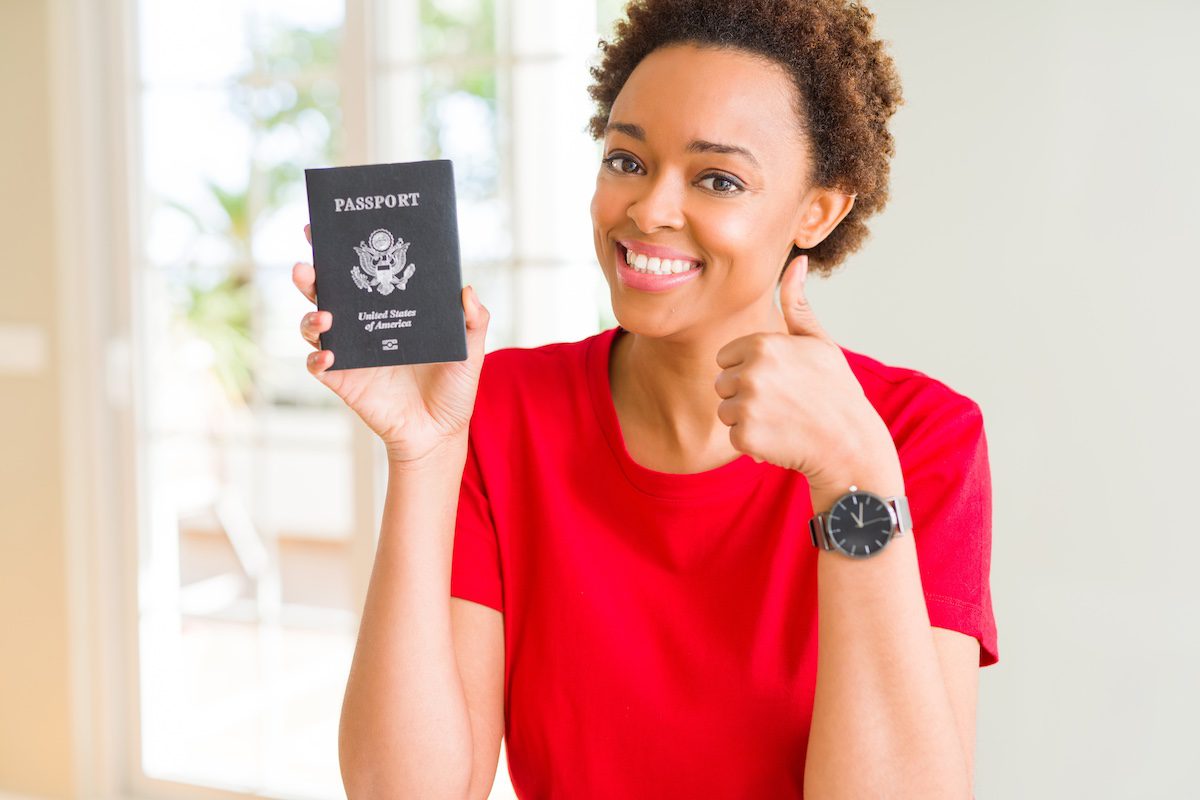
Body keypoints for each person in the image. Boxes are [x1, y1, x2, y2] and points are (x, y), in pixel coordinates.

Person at [294, 0, 998, 797]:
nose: (649, 210)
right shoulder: (502, 413)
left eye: (718, 178)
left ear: (818, 210)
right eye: (626, 160)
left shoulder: (914, 437)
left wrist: (852, 478)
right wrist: (422, 456)